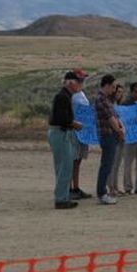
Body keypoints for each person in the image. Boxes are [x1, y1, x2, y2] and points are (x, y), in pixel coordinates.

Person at [48, 72, 83, 209]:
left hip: (59, 133)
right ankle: (61, 199)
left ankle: (63, 196)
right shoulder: (63, 97)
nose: (79, 85)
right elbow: (63, 119)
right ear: (70, 83)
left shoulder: (65, 96)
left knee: (63, 166)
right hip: (60, 133)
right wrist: (75, 124)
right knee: (65, 167)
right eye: (77, 82)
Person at [95, 74, 125, 205]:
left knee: (108, 165)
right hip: (107, 135)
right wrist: (119, 131)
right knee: (106, 165)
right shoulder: (101, 99)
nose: (114, 90)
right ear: (106, 85)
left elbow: (115, 116)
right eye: (112, 87)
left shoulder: (106, 99)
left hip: (112, 135)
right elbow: (111, 119)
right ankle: (102, 193)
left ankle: (104, 192)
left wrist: (121, 128)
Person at [69, 68, 93, 200]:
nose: (82, 81)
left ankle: (76, 187)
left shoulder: (81, 94)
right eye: (80, 79)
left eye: (83, 79)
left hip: (83, 132)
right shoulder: (71, 95)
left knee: (78, 161)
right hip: (73, 131)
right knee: (71, 160)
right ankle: (69, 188)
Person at [106, 83, 126, 196]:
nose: (119, 94)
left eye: (121, 92)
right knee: (112, 164)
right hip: (114, 135)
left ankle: (116, 187)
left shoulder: (119, 105)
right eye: (118, 91)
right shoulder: (110, 105)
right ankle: (111, 188)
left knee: (117, 164)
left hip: (121, 136)